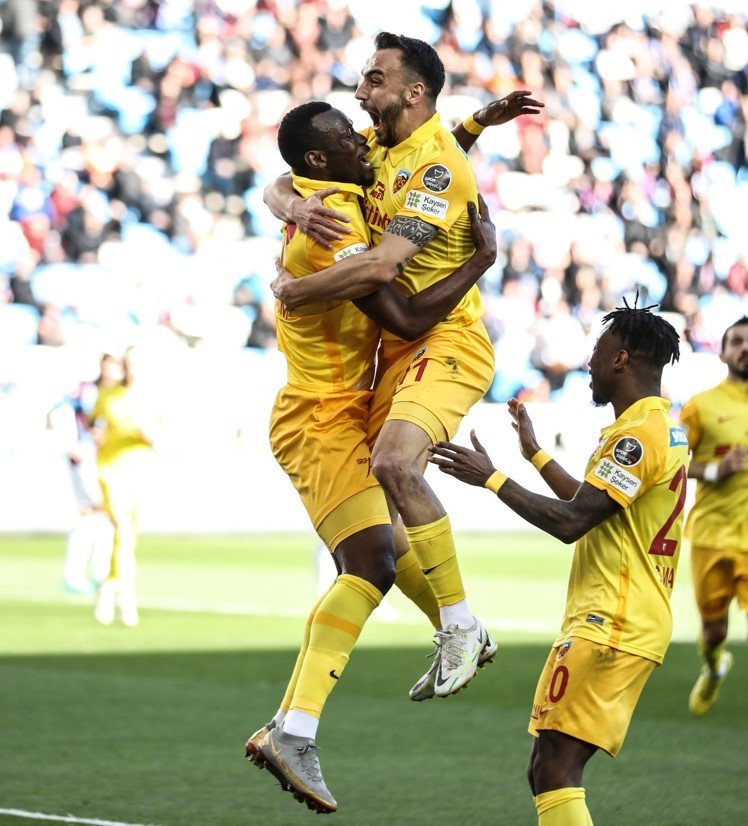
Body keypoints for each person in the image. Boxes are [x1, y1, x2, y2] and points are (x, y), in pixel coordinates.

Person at [266, 33, 542, 703]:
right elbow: (284, 177)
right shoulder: (379, 143)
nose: (360, 92)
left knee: (393, 463)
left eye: (374, 80)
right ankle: (459, 627)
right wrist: (293, 204)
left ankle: (460, 626)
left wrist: (294, 289)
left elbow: (385, 266)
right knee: (383, 533)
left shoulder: (438, 168)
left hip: (446, 338)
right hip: (393, 352)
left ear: (412, 91)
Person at [247, 100, 499, 814]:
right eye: (344, 141)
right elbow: (408, 315)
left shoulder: (322, 189)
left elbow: (410, 155)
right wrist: (481, 260)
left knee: (388, 548)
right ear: (319, 159)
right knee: (370, 565)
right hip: (319, 417)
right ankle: (293, 730)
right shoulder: (336, 222)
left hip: (340, 406)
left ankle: (461, 629)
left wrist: (472, 128)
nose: (362, 143)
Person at [428, 301, 686, 826]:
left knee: (555, 770)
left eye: (596, 352)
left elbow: (571, 523)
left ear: (620, 359)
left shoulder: (637, 437)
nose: (588, 363)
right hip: (625, 617)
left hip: (612, 620)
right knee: (546, 767)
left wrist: (490, 479)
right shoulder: (656, 427)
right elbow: (589, 505)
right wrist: (535, 455)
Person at [679, 314, 748, 717]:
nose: (745, 347)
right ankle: (714, 665)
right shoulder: (701, 406)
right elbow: (674, 461)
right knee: (714, 630)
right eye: (737, 341)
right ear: (722, 353)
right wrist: (714, 470)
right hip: (713, 533)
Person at [91, 346, 159, 628]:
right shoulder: (109, 397)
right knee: (123, 529)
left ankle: (109, 586)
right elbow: (96, 423)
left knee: (130, 533)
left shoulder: (144, 396)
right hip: (112, 471)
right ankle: (127, 598)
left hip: (139, 469)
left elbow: (156, 433)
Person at [47, 356, 118, 595]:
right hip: (85, 456)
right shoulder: (87, 391)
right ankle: (77, 574)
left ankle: (99, 572)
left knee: (104, 515)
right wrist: (69, 444)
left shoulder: (113, 394)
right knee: (93, 512)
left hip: (103, 458)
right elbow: (58, 413)